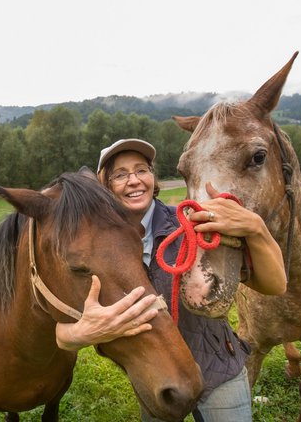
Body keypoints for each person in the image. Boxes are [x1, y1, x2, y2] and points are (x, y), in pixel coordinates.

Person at [55, 138, 286, 421]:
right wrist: (81, 334)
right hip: (156, 377)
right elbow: (61, 331)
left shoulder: (194, 224)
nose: (134, 181)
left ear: (153, 177)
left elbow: (274, 286)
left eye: (142, 170)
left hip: (218, 370)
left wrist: (256, 229)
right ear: (103, 187)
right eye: (120, 174)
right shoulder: (93, 249)